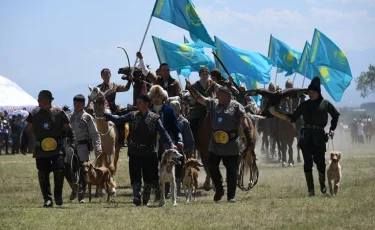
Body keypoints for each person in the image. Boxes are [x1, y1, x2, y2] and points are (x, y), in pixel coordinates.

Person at [185, 78, 255, 202]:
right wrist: (191, 88)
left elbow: (244, 123)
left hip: (231, 143)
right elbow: (200, 98)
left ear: (227, 95)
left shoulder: (236, 106)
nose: (216, 96)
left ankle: (231, 195)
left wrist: (249, 139)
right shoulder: (214, 104)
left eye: (219, 95)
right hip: (215, 143)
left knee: (231, 169)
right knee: (211, 166)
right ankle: (219, 189)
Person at [270, 77, 340, 197]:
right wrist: (279, 114)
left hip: (319, 137)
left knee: (321, 163)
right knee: (307, 163)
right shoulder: (304, 104)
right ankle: (311, 190)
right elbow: (293, 117)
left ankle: (322, 184)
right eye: (309, 93)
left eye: (313, 92)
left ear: (318, 92)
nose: (310, 94)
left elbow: (335, 115)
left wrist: (332, 129)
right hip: (306, 137)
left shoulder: (325, 104)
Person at [103, 94, 176, 206]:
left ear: (146, 104)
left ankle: (145, 197)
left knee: (148, 177)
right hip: (134, 151)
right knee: (135, 175)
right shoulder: (132, 115)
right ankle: (136, 196)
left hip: (149, 153)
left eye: (139, 102)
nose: (137, 104)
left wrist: (171, 143)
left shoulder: (155, 118)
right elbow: (119, 119)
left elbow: (163, 132)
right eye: (137, 102)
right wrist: (107, 115)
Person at [20, 90, 77, 207]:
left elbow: (68, 128)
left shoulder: (59, 112)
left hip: (57, 148)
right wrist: (23, 145)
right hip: (41, 148)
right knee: (43, 173)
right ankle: (47, 199)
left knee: (59, 171)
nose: (37, 101)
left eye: (39, 98)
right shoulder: (34, 113)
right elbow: (27, 130)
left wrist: (73, 142)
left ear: (47, 100)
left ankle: (58, 196)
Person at [148, 85, 184, 199]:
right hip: (151, 143)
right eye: (154, 96)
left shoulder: (169, 111)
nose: (156, 98)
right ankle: (157, 190)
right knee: (152, 166)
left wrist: (179, 140)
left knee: (166, 166)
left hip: (166, 143)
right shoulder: (147, 110)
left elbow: (176, 128)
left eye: (158, 96)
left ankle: (167, 190)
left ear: (163, 97)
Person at [68, 94, 102, 203]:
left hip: (83, 147)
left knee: (83, 172)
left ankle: (81, 196)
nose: (76, 105)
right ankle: (74, 187)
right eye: (75, 103)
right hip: (70, 147)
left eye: (79, 103)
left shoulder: (88, 117)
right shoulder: (69, 117)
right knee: (69, 170)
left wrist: (98, 148)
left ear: (83, 104)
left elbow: (95, 134)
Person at [97, 68, 129, 147]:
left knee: (121, 122)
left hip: (113, 109)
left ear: (110, 75)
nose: (106, 75)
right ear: (101, 76)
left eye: (108, 73)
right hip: (102, 110)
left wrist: (130, 80)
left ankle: (122, 141)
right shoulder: (98, 88)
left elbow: (126, 88)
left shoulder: (114, 86)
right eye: (104, 74)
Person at [169, 100, 195, 194]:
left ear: (179, 110)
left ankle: (177, 188)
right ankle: (167, 188)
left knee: (179, 169)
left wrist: (190, 152)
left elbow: (189, 139)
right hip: (167, 149)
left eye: (174, 111)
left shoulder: (184, 122)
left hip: (179, 150)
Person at [189, 67, 219, 134]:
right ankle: (192, 141)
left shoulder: (213, 84)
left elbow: (220, 91)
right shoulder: (194, 85)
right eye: (203, 74)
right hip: (198, 109)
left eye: (206, 74)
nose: (205, 76)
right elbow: (192, 99)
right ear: (200, 75)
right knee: (192, 125)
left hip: (212, 108)